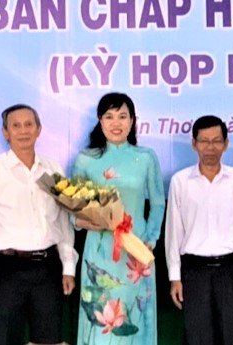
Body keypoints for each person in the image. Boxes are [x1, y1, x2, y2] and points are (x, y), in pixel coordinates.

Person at [0, 104, 78, 345]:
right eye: (16, 126)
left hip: (48, 267)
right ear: (5, 132)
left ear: (39, 129)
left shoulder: (53, 169)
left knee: (49, 340)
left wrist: (68, 266)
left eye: (29, 124)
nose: (23, 131)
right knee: (5, 339)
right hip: (6, 268)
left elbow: (62, 222)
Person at [71, 92, 165, 345]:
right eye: (109, 116)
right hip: (99, 252)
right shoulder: (86, 159)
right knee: (101, 320)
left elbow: (157, 203)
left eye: (123, 116)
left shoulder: (146, 157)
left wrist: (149, 240)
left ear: (132, 121)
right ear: (100, 121)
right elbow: (74, 209)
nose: (116, 123)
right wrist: (84, 221)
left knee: (135, 318)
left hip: (136, 251)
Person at [166, 115, 233, 345]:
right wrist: (175, 277)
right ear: (194, 144)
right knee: (199, 339)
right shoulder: (180, 181)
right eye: (204, 141)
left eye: (217, 141)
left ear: (226, 144)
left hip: (232, 270)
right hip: (195, 272)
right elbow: (173, 234)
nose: (210, 147)